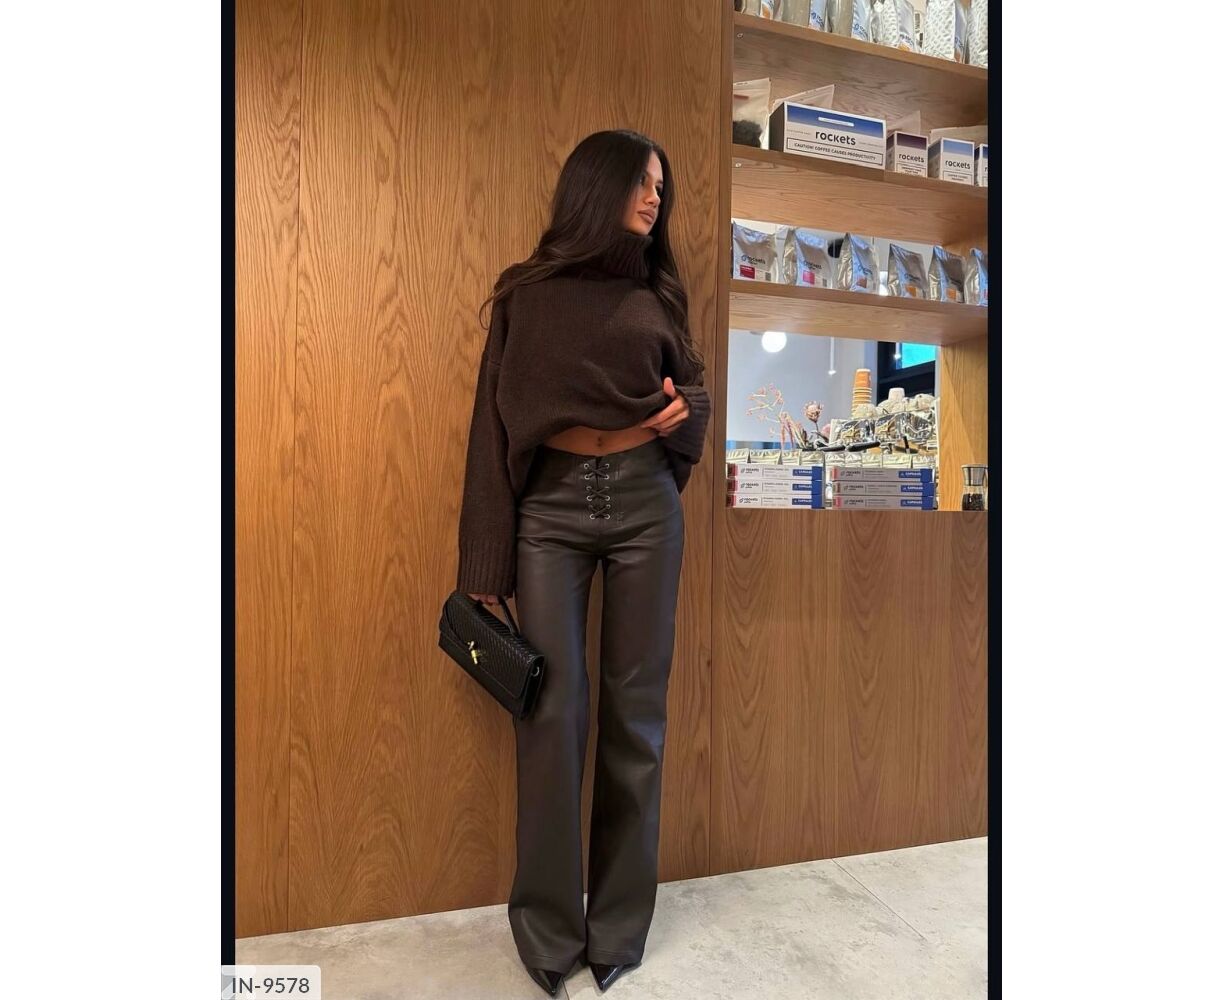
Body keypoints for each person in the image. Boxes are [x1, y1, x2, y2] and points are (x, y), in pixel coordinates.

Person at [454, 129, 710, 996]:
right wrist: (484, 559)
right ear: (595, 188)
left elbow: (692, 391)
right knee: (551, 717)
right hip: (550, 511)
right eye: (640, 182)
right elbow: (491, 431)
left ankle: (619, 930)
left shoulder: (657, 291)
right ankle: (546, 932)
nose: (654, 198)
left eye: (660, 186)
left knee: (637, 717)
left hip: (646, 504)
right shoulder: (524, 295)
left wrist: (686, 415)